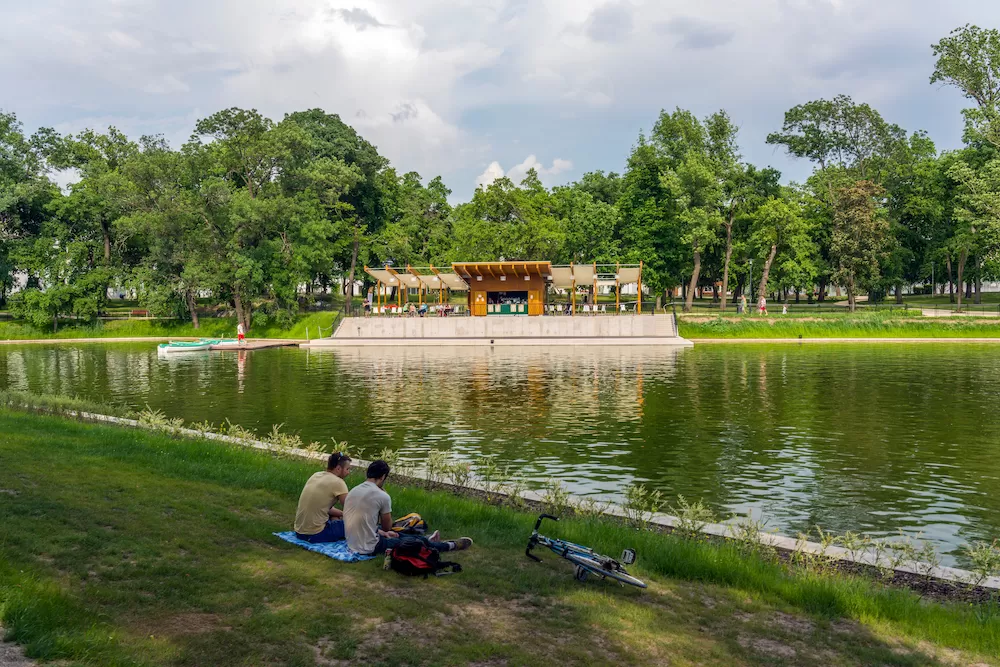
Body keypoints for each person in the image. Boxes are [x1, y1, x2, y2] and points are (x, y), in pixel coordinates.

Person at [343, 460, 473, 556]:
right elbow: (388, 527)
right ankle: (450, 545)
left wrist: (383, 533)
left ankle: (428, 539)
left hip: (352, 543)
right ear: (383, 476)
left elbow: (368, 525)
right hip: (369, 547)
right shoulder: (382, 496)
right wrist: (385, 531)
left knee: (399, 534)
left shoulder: (354, 490)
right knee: (416, 543)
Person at [294, 452, 353, 543]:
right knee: (354, 526)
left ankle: (334, 523)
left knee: (335, 516)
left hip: (299, 532)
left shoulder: (316, 475)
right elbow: (350, 508)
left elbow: (321, 507)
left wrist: (341, 514)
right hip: (316, 534)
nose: (348, 472)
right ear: (338, 468)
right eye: (347, 469)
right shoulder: (338, 482)